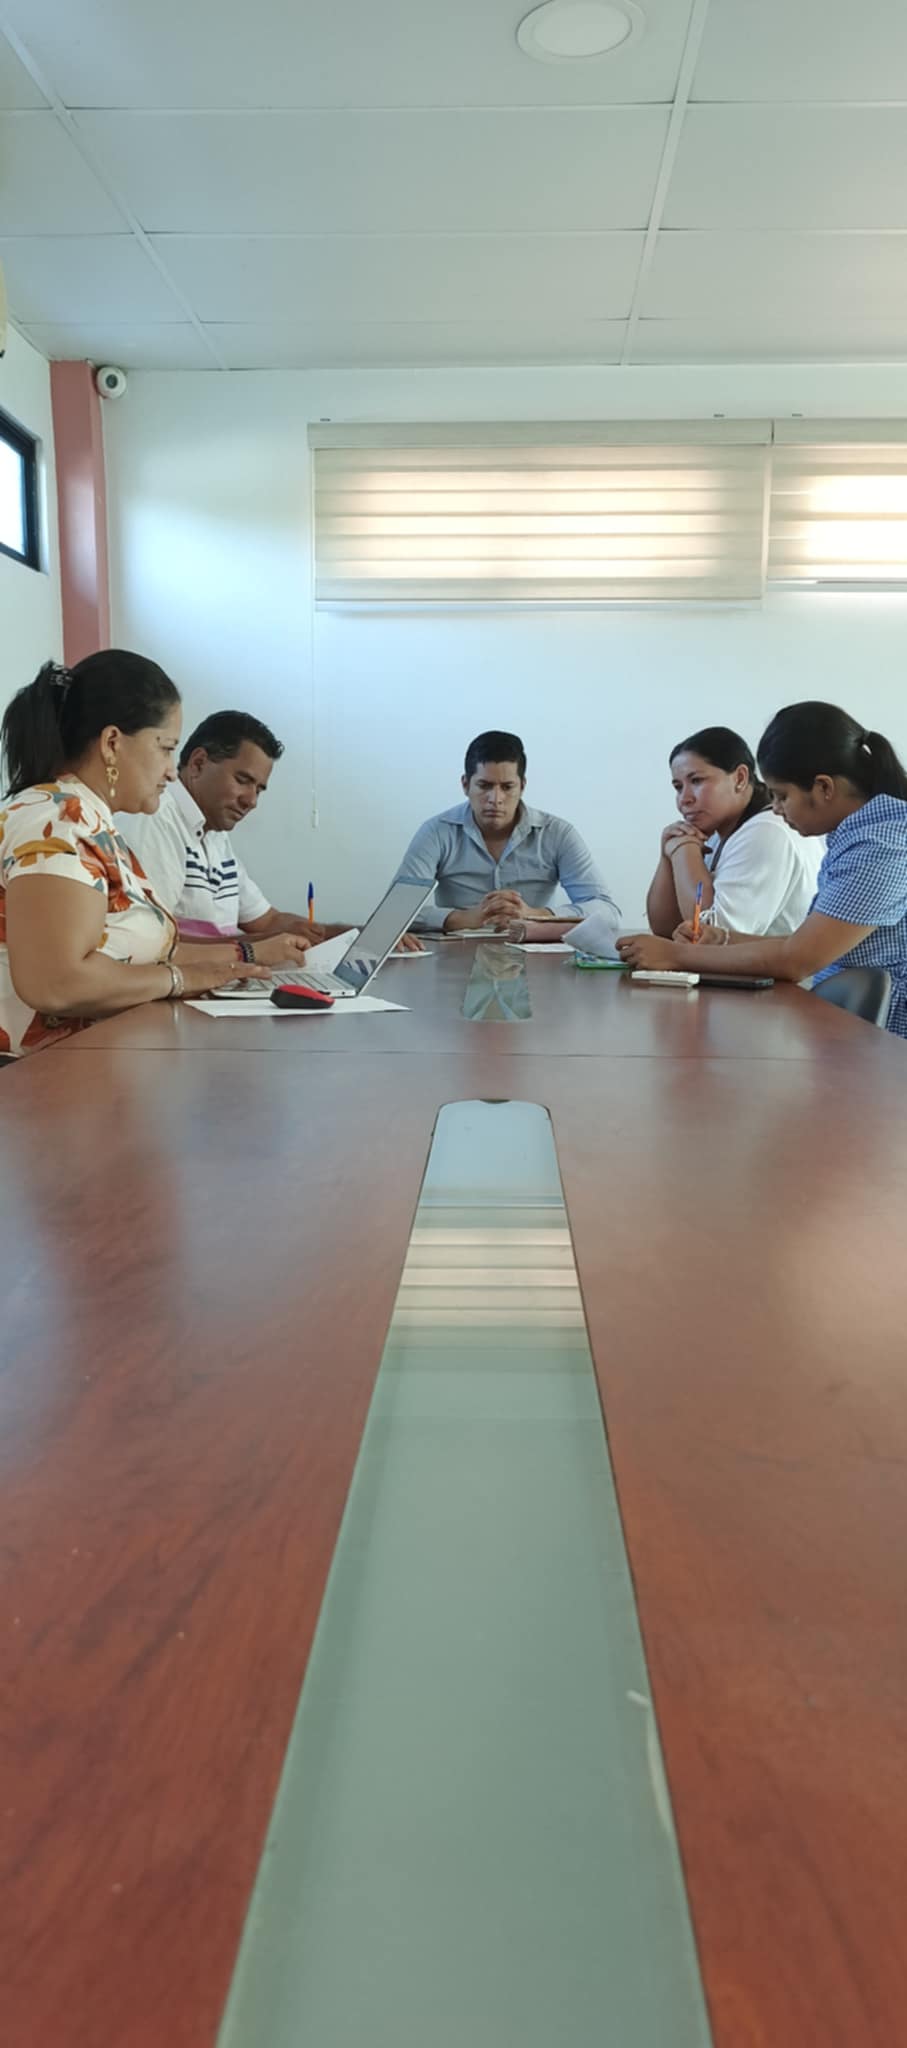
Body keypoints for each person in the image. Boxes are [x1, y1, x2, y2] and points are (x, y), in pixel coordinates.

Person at [0, 654, 311, 1059]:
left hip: (95, 1060)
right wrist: (179, 979)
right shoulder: (58, 820)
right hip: (37, 1076)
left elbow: (145, 952)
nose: (170, 771)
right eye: (165, 749)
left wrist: (239, 961)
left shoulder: (92, 823)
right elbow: (56, 983)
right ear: (112, 744)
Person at [619, 702, 907, 1038]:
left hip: (885, 1043)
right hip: (843, 1029)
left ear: (824, 788)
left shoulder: (882, 845)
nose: (776, 808)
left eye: (782, 795)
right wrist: (722, 939)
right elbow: (807, 940)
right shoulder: (857, 836)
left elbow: (798, 959)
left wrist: (677, 955)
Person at [122, 709, 420, 950]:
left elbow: (267, 921)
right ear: (198, 764)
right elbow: (154, 943)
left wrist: (354, 935)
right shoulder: (157, 819)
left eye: (259, 789)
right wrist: (260, 947)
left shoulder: (214, 835)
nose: (251, 801)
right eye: (242, 780)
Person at [391, 729, 619, 936]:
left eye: (507, 787)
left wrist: (536, 915)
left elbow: (608, 912)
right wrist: (462, 918)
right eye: (484, 786)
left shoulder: (557, 833)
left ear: (522, 786)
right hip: (455, 954)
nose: (496, 798)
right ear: (465, 785)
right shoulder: (437, 832)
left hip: (535, 956)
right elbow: (395, 912)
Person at [646, 725, 823, 939]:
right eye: (678, 787)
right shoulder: (718, 831)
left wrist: (684, 851)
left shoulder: (766, 830)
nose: (685, 799)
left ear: (740, 778)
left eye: (697, 781)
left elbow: (712, 936)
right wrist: (668, 855)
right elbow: (665, 929)